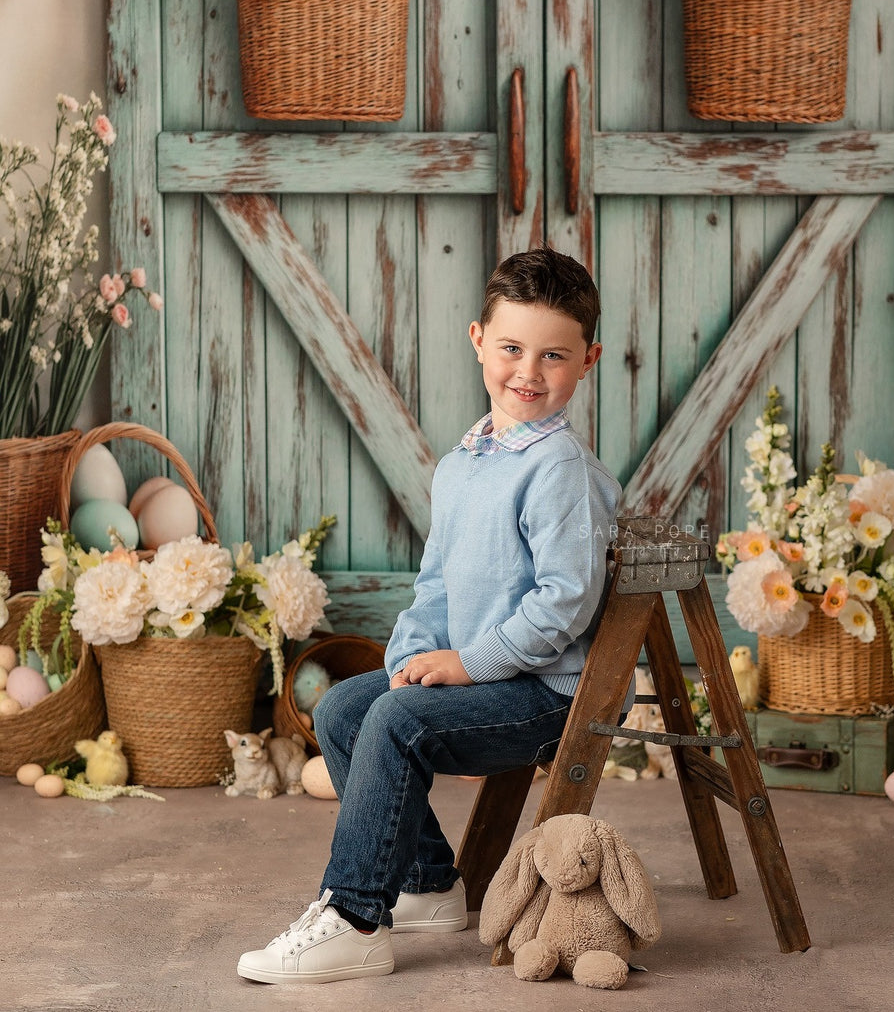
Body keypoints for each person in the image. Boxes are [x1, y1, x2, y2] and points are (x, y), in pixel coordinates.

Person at [237, 246, 621, 984]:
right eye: (511, 348)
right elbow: (437, 582)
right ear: (479, 340)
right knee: (352, 706)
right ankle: (427, 883)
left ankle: (353, 919)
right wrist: (404, 662)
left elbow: (565, 602)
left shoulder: (559, 469)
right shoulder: (466, 460)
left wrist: (464, 665)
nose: (528, 374)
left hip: (548, 692)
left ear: (588, 360)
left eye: (554, 357)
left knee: (395, 721)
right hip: (488, 677)